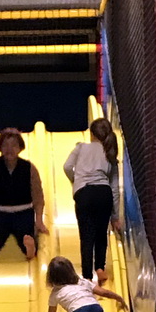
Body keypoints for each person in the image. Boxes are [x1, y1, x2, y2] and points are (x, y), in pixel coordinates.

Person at [63, 116, 120, 283]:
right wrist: (115, 217)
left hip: (84, 192)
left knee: (86, 235)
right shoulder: (110, 152)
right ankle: (100, 268)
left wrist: (76, 181)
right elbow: (114, 188)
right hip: (104, 193)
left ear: (92, 134)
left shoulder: (81, 148)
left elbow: (67, 166)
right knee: (101, 233)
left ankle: (87, 276)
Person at [0, 129, 47, 261]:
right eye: (5, 146)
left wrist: (39, 220)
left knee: (26, 235)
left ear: (20, 148)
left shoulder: (29, 167)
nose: (9, 149)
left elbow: (38, 195)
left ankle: (30, 249)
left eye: (14, 145)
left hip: (23, 211)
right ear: (0, 148)